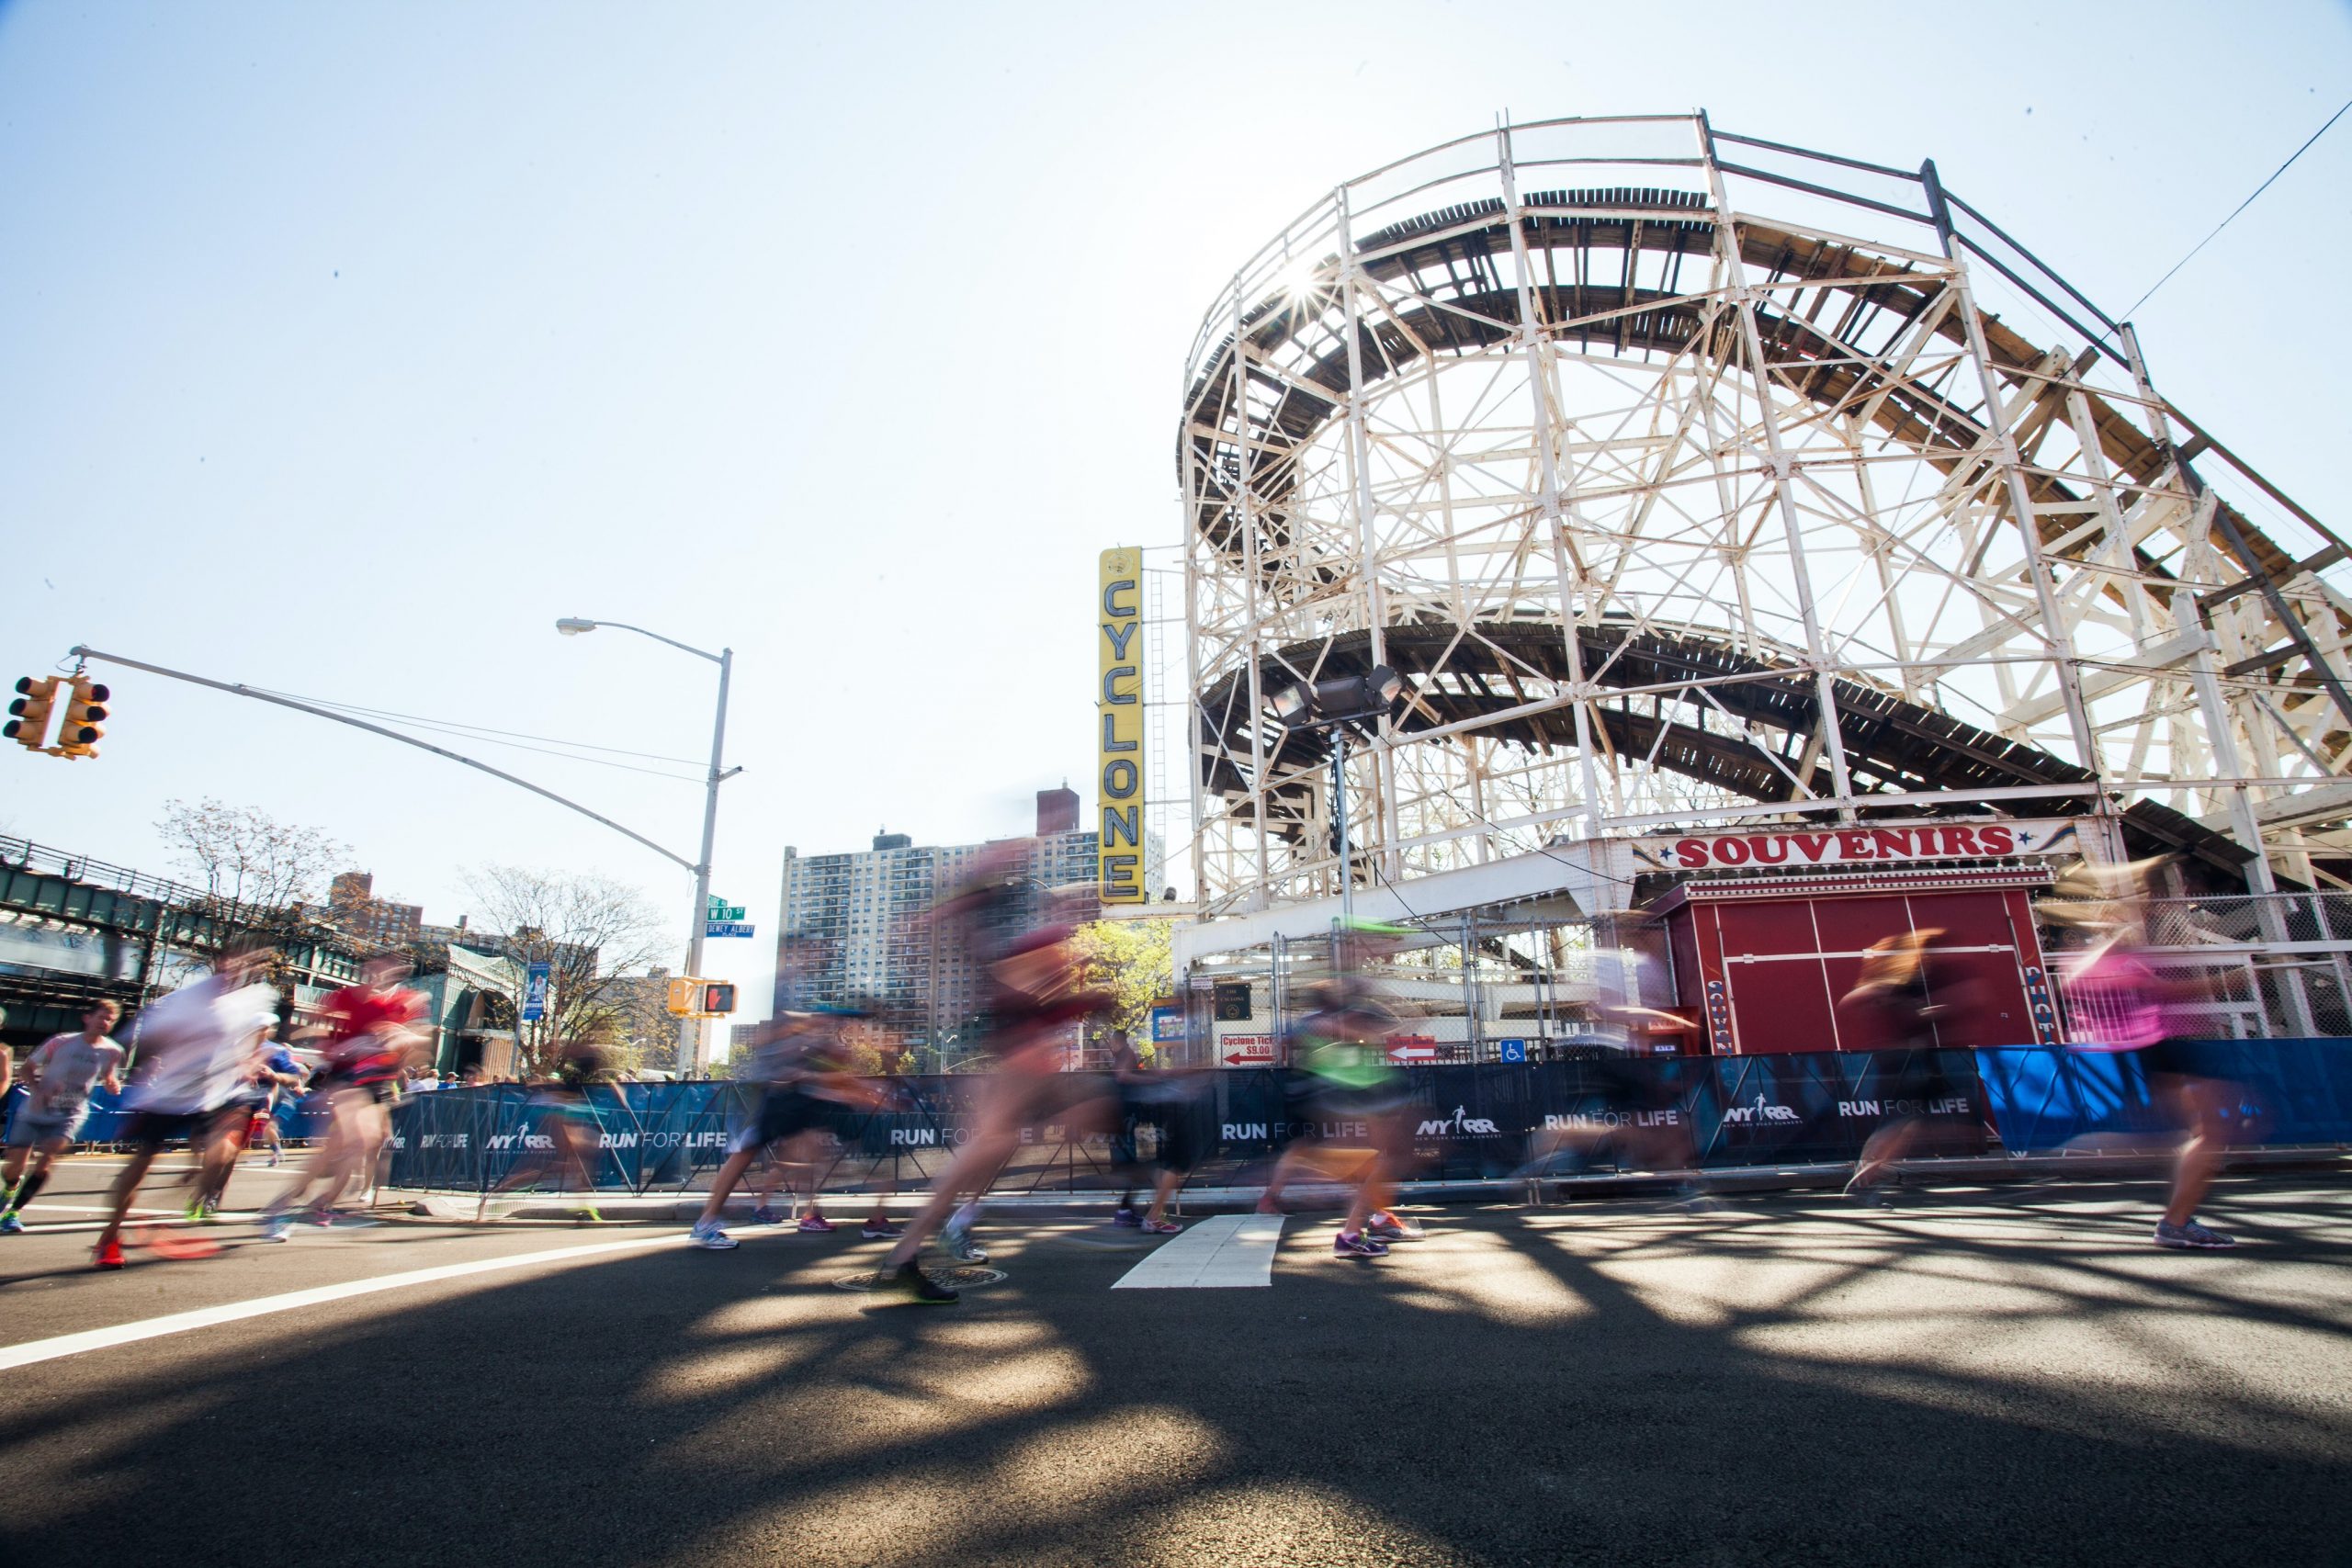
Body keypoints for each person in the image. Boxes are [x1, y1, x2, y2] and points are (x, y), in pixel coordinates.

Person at [870, 849, 1117, 1303]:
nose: (1087, 914)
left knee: (1001, 1145)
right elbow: (1015, 996)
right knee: (985, 1151)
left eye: (1090, 908)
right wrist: (1087, 1001)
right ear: (1060, 910)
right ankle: (914, 1250)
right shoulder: (1043, 942)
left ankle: (933, 1239)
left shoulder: (1056, 947)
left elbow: (1016, 989)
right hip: (1021, 1064)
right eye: (1081, 906)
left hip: (1031, 1065)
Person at [2056, 865, 2238, 1248]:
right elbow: (2166, 992)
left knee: (2208, 1131)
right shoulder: (2107, 958)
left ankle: (2178, 1217)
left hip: (2153, 1046)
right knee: (2212, 1132)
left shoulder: (2112, 954)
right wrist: (2233, 980)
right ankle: (2176, 1222)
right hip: (2152, 1046)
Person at [93, 942, 278, 1269]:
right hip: (167, 1094)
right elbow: (141, 1040)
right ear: (221, 962)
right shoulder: (184, 1002)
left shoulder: (256, 997)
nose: (241, 970)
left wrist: (248, 1061)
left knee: (220, 1155)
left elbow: (254, 1039)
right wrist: (151, 1063)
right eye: (235, 963)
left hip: (214, 1096)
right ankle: (109, 1236)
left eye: (250, 964)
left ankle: (187, 1202)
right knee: (140, 1164)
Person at [688, 1009, 899, 1248]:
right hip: (769, 1101)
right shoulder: (788, 1033)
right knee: (744, 1157)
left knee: (797, 1160)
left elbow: (818, 1074)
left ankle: (804, 1214)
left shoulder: (805, 1039)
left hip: (789, 1104)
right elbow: (794, 1074)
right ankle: (709, 1222)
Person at [259, 954, 424, 1239]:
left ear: (398, 973)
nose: (380, 974)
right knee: (356, 1141)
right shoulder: (346, 997)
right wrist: (333, 1047)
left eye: (389, 969)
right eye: (375, 968)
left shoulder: (406, 1001)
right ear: (367, 970)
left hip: (380, 1082)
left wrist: (401, 1037)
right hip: (348, 1077)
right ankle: (285, 1206)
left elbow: (419, 1041)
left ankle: (317, 1204)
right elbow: (321, 1032)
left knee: (362, 1144)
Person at [1838, 929, 1953, 1204]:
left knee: (1897, 1123)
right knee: (1903, 1124)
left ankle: (1865, 1173)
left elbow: (1849, 1006)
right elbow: (1910, 1017)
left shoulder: (1880, 987)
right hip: (1906, 1060)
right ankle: (1866, 1177)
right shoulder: (1895, 988)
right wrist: (1932, 1012)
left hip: (1892, 1059)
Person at [0, 1001, 128, 1234]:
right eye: (101, 1017)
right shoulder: (61, 1042)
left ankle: (13, 1213)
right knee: (14, 1167)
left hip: (70, 1113)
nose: (105, 1022)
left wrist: (112, 1084)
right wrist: (37, 1091)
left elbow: (110, 1076)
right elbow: (27, 1068)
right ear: (87, 1017)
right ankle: (10, 1187)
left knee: (46, 1160)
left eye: (110, 1020)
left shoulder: (113, 1051)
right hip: (36, 1109)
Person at [479, 1041, 611, 1223]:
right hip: (559, 1114)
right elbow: (560, 1093)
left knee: (576, 1164)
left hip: (564, 1112)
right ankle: (501, 1190)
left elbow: (567, 1093)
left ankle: (582, 1205)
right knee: (554, 1164)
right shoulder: (572, 1071)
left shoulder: (580, 1072)